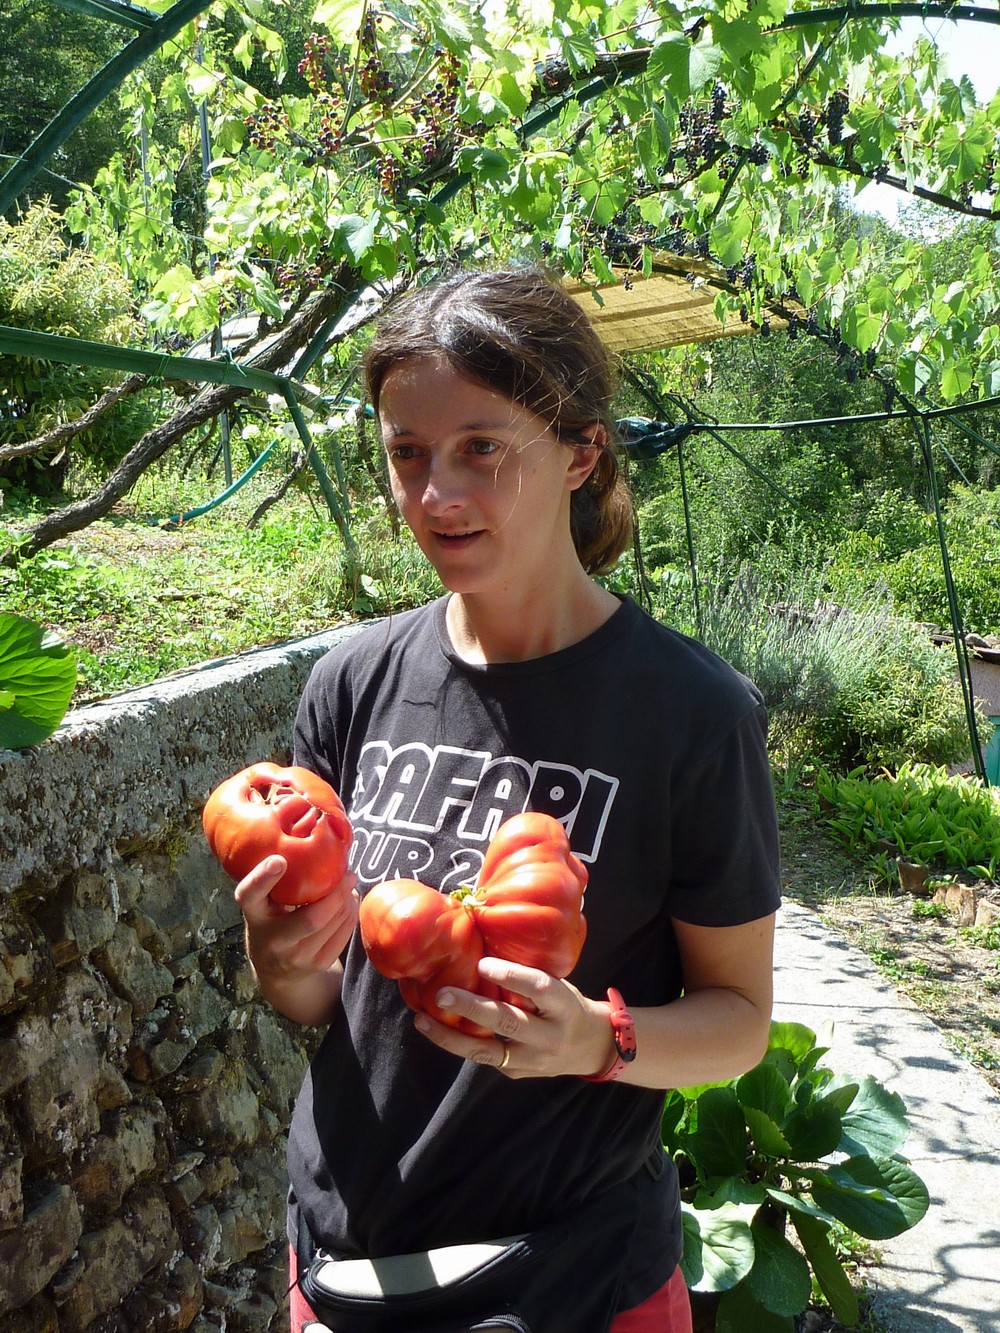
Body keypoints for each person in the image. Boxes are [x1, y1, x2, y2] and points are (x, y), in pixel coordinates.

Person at [233, 266, 781, 1333]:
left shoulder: (691, 712)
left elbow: (740, 1022)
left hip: (572, 1282)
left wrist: (598, 1039)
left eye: (481, 446)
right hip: (347, 1270)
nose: (436, 493)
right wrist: (279, 957)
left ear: (581, 453)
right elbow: (327, 1000)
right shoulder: (352, 683)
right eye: (407, 453)